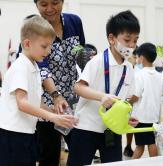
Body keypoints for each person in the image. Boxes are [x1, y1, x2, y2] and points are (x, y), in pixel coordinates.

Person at [0, 15, 78, 166]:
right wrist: (52, 117)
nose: (49, 51)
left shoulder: (34, 66)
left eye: (50, 46)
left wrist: (54, 112)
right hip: (12, 135)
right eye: (44, 46)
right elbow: (22, 103)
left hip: (27, 133)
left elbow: (36, 102)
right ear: (27, 43)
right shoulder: (21, 67)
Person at [67, 10, 140, 165]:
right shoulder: (98, 61)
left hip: (112, 129)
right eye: (127, 40)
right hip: (86, 127)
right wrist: (102, 97)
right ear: (112, 38)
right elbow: (79, 88)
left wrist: (126, 117)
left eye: (135, 40)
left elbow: (125, 99)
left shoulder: (129, 67)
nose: (132, 45)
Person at [32, 0, 85, 165]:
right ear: (36, 4)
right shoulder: (33, 29)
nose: (49, 9)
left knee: (79, 152)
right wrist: (55, 96)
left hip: (74, 102)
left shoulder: (74, 22)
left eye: (55, 3)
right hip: (48, 106)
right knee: (50, 156)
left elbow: (80, 51)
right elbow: (41, 68)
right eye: (43, 4)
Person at [128, 43, 163, 159]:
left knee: (140, 146)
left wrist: (127, 102)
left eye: (137, 56)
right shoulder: (159, 75)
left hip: (140, 117)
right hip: (154, 116)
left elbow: (136, 96)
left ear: (142, 58)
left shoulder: (140, 75)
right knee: (151, 142)